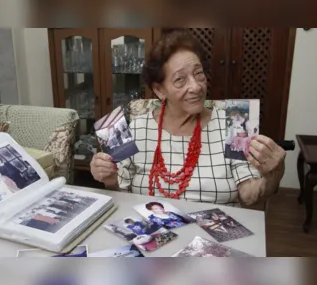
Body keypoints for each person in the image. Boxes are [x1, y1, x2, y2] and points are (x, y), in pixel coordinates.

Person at [90, 29, 286, 207]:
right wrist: (107, 177)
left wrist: (273, 175)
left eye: (199, 74)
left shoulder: (237, 122)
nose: (196, 86)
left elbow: (249, 196)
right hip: (151, 234)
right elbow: (119, 192)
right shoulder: (135, 128)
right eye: (180, 80)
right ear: (159, 90)